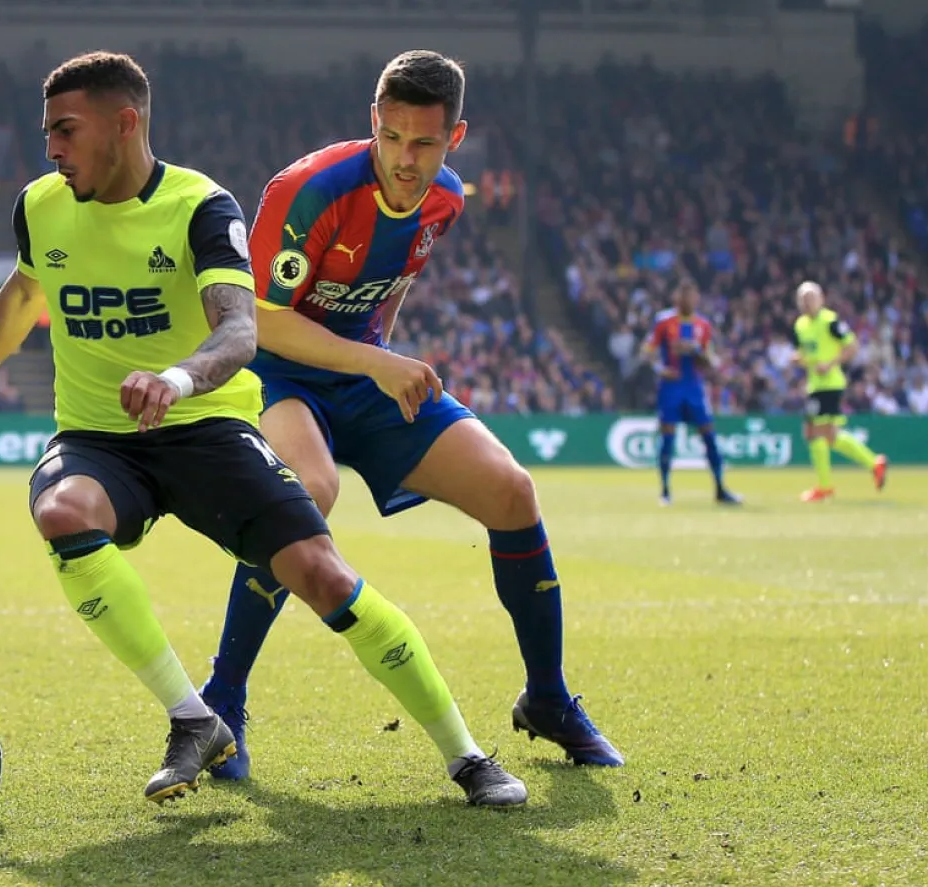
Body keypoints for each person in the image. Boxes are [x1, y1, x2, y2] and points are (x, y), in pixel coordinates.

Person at [0, 51, 526, 807]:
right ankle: (195, 718)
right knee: (62, 512)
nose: (50, 147)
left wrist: (177, 378)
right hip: (98, 441)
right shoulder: (40, 205)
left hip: (206, 428)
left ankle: (466, 755)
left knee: (321, 574)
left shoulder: (200, 206)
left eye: (65, 130)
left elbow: (240, 331)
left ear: (124, 125)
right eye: (48, 131)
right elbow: (24, 295)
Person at [197, 50, 624, 782]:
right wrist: (375, 361)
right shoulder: (308, 189)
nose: (404, 157)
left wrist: (379, 353)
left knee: (512, 492)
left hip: (363, 372)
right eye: (390, 137)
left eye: (423, 143)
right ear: (373, 121)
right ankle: (222, 702)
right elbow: (260, 321)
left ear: (454, 138)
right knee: (307, 495)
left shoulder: (447, 198)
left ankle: (547, 698)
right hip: (277, 373)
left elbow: (394, 281)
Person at [641, 280, 742, 506]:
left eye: (692, 296)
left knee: (709, 436)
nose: (689, 300)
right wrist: (660, 369)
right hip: (671, 387)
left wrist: (696, 350)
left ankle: (720, 489)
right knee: (668, 437)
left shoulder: (703, 325)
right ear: (677, 298)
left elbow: (710, 360)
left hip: (694, 387)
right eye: (684, 295)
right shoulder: (663, 321)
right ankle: (665, 491)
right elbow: (646, 351)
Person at [791, 281, 887, 502]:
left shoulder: (830, 321)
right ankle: (873, 464)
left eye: (811, 298)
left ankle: (827, 486)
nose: (807, 303)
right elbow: (807, 353)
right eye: (803, 299)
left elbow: (852, 346)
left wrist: (831, 363)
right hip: (815, 385)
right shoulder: (800, 325)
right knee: (822, 434)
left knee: (818, 432)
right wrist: (799, 359)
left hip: (830, 384)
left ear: (821, 299)